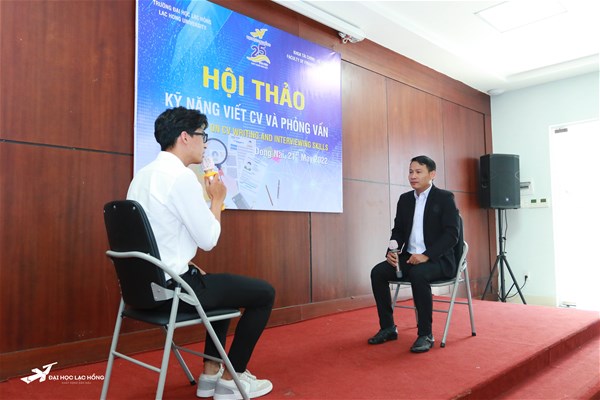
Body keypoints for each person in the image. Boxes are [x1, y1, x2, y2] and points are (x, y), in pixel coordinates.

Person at [127, 106, 275, 399]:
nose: (205, 143)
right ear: (185, 137)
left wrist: (185, 262)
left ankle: (209, 375)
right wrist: (217, 200)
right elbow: (209, 239)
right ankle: (233, 379)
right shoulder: (180, 178)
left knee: (220, 288)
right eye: (202, 135)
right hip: (172, 291)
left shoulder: (142, 176)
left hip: (143, 291)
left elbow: (154, 236)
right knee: (264, 294)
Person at [368, 155, 460, 353]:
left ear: (432, 174)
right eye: (410, 171)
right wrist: (392, 252)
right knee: (378, 272)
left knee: (418, 274)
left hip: (438, 260)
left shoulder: (444, 198)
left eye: (418, 172)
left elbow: (452, 235)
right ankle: (388, 327)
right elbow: (398, 231)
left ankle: (425, 334)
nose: (413, 176)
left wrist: (426, 255)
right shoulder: (405, 200)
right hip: (409, 258)